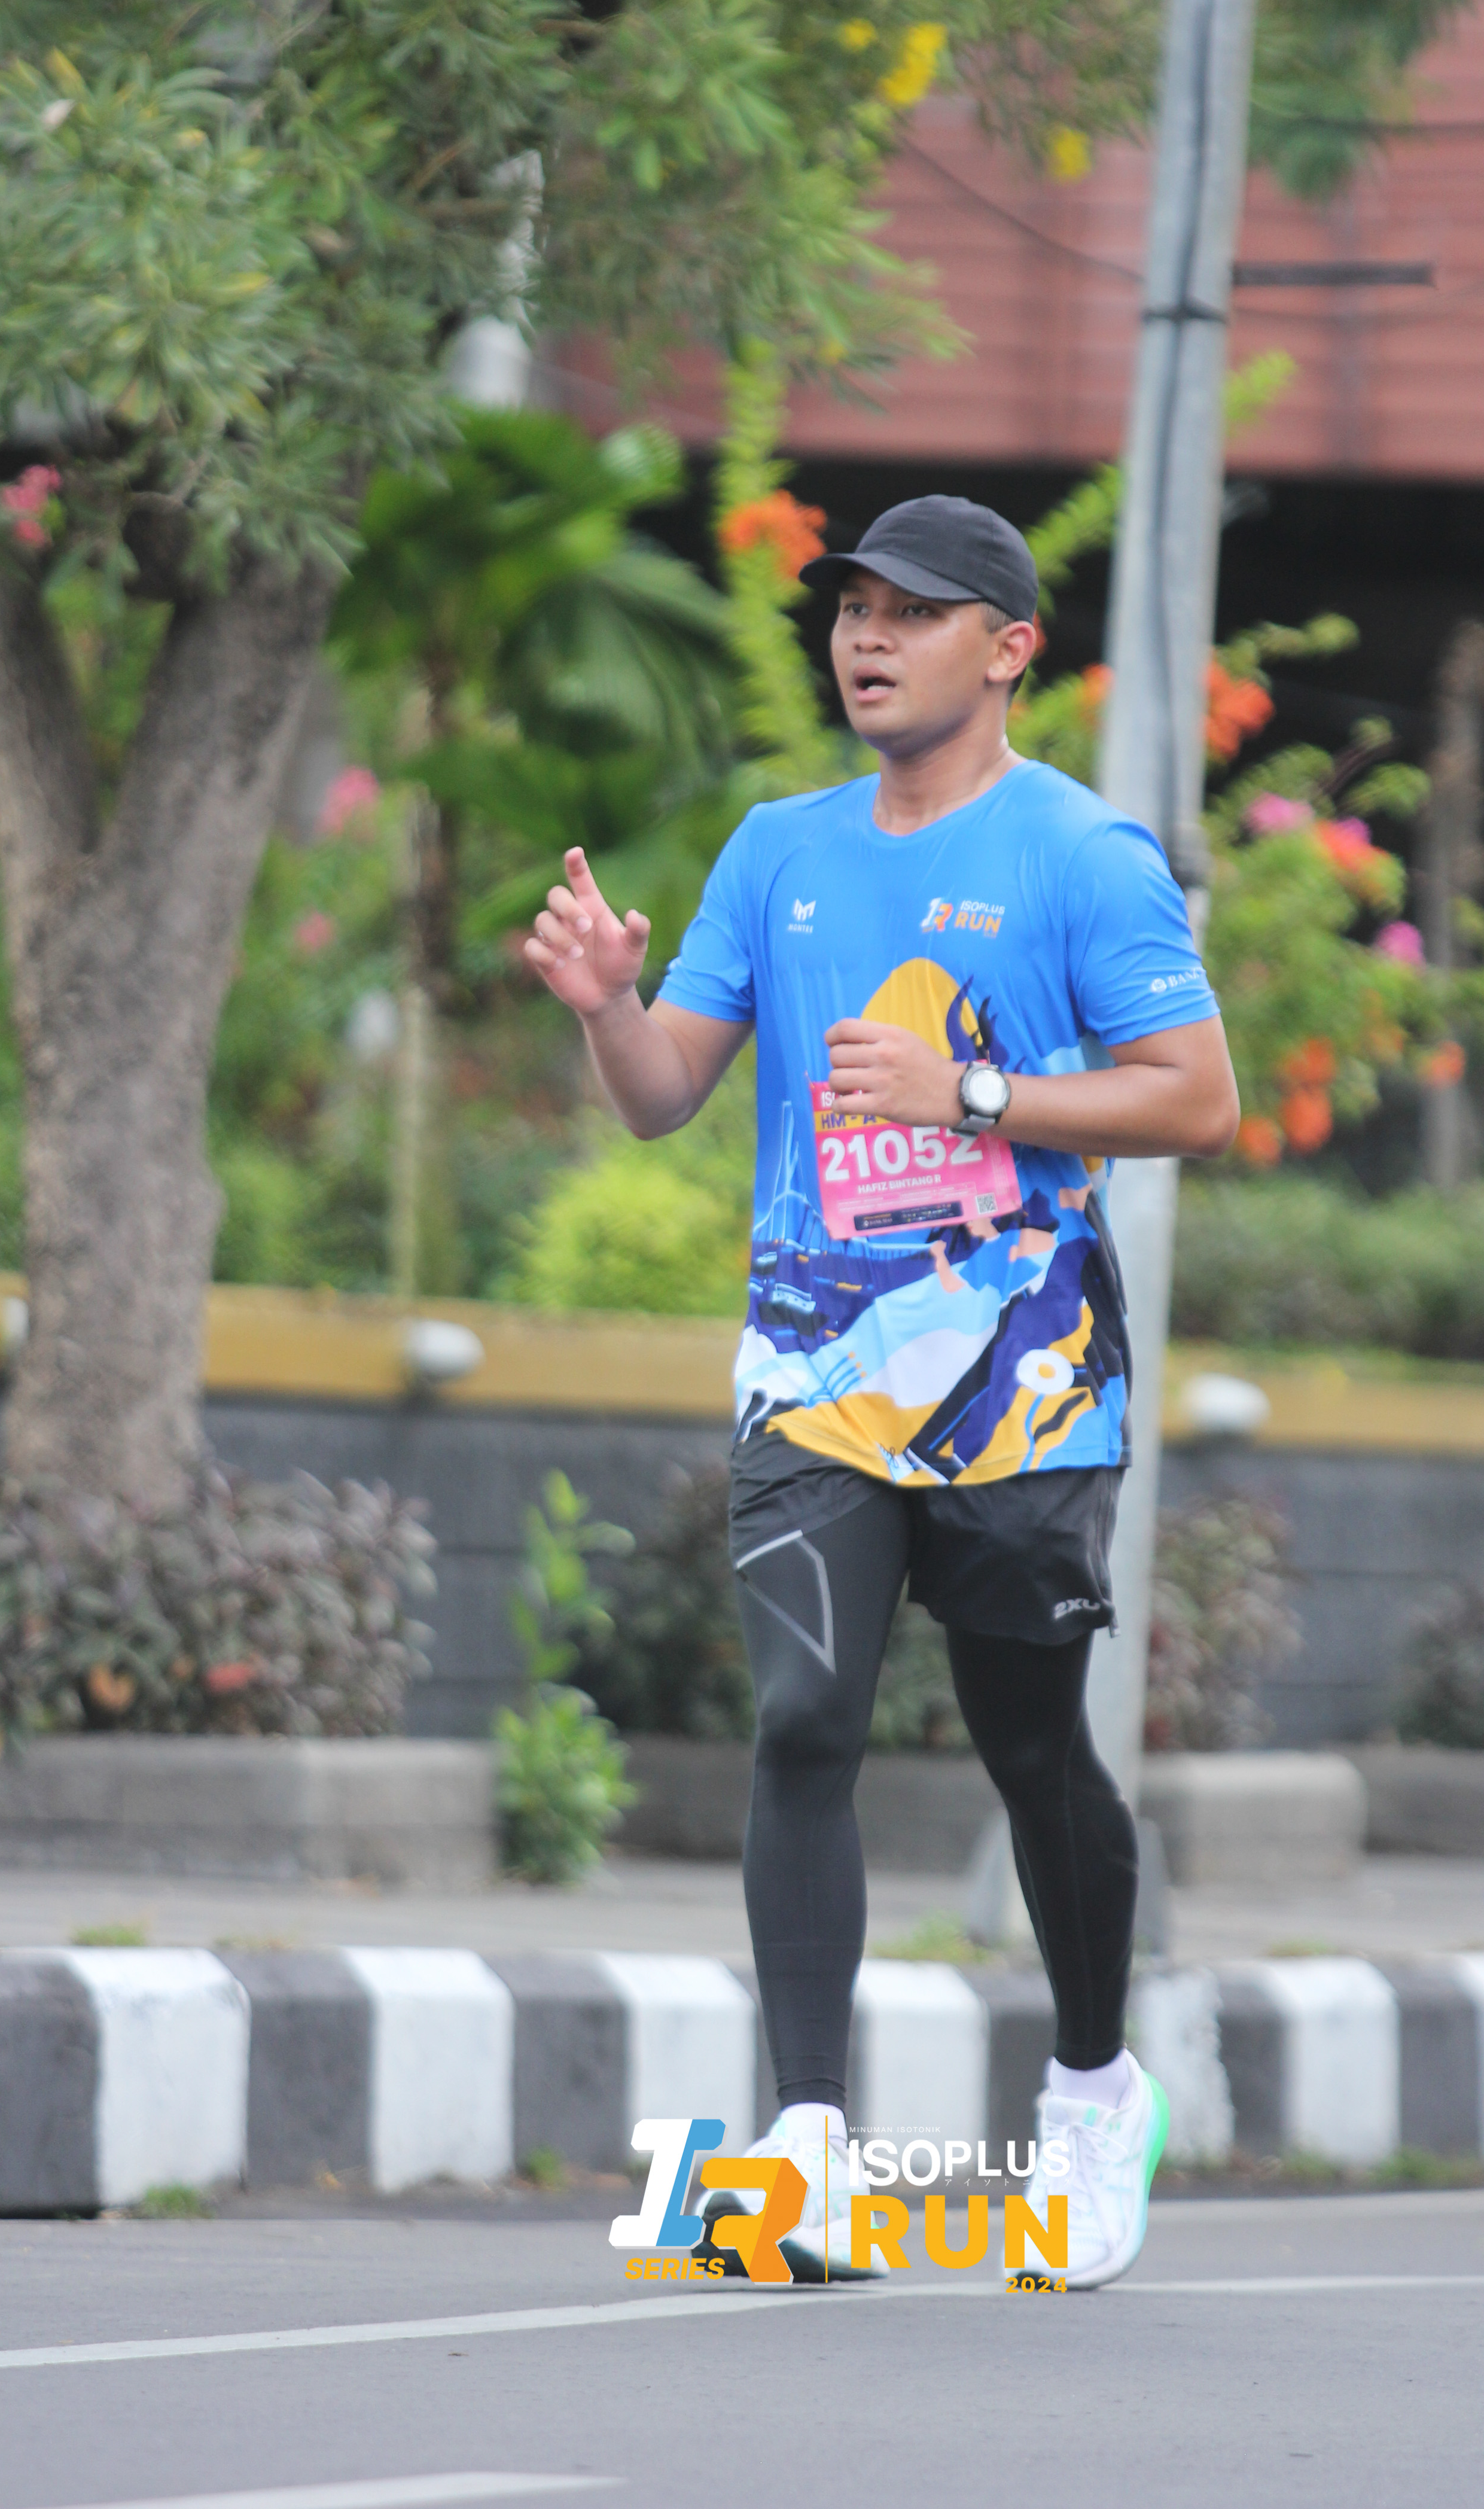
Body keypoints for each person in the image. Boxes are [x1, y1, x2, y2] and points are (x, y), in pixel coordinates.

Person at [525, 494, 1240, 2288]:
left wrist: (971, 1096)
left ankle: (1094, 2087)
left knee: (1029, 1749)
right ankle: (810, 2141)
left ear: (1007, 649)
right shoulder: (777, 851)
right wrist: (609, 1005)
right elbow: (663, 1094)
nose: (866, 637)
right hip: (812, 1375)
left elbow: (1195, 1097)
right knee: (802, 1722)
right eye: (852, 607)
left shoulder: (1082, 854)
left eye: (912, 612)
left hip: (1017, 1382)